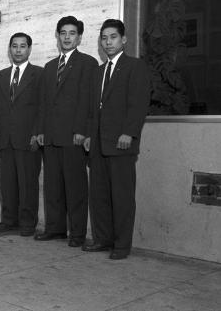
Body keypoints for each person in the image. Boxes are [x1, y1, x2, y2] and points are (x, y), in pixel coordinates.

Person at [82, 19, 150, 259]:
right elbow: (93, 109)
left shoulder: (135, 66)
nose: (108, 42)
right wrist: (90, 136)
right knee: (99, 195)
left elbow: (138, 103)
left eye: (112, 37)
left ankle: (122, 245)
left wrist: (129, 132)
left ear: (124, 40)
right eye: (104, 38)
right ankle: (103, 239)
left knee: (121, 196)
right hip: (98, 143)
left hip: (121, 142)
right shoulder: (98, 71)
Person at [36, 16, 98, 247]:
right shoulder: (50, 67)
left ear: (79, 37)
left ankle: (77, 234)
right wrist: (41, 130)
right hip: (51, 137)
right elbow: (44, 103)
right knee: (53, 187)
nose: (67, 37)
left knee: (75, 189)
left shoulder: (87, 63)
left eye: (72, 33)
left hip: (74, 136)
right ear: (57, 36)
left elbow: (87, 101)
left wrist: (82, 130)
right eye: (63, 33)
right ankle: (55, 228)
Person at [0, 32, 42, 237]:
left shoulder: (39, 74)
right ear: (9, 49)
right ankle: (8, 219)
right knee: (7, 182)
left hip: (28, 139)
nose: (18, 50)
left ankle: (28, 223)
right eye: (14, 46)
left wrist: (37, 133)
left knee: (28, 183)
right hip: (5, 138)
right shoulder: (0, 76)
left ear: (29, 49)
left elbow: (42, 107)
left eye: (22, 46)